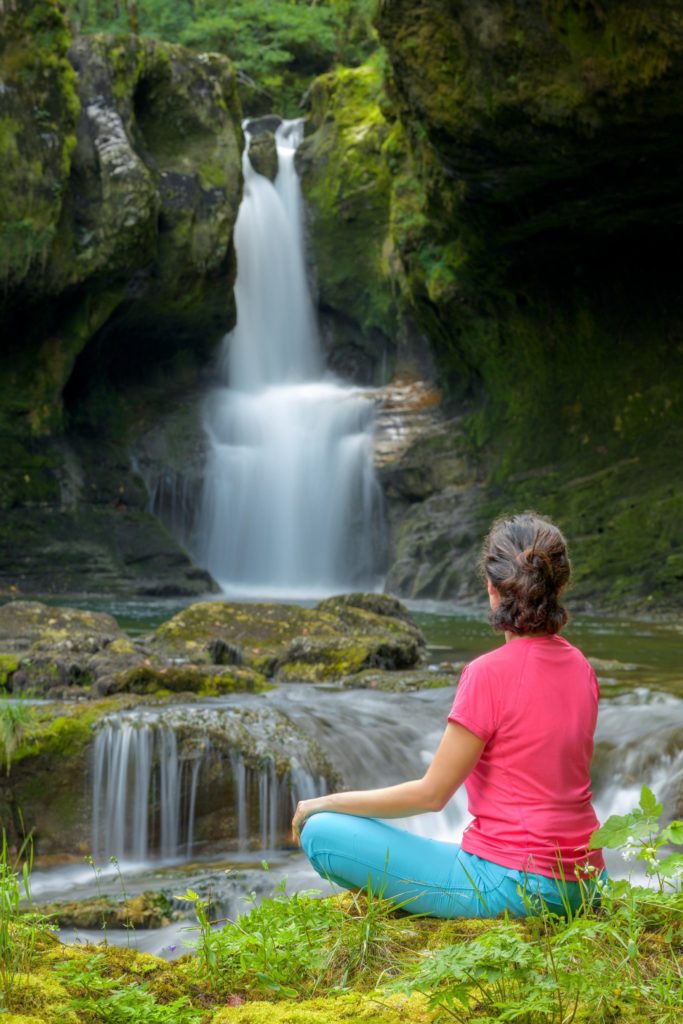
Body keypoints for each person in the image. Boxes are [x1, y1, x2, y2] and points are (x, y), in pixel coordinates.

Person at [291, 512, 606, 918]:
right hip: (586, 881)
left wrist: (322, 803)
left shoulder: (487, 674)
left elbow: (432, 795)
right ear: (559, 586)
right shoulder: (582, 668)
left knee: (322, 833)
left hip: (516, 887)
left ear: (492, 589)